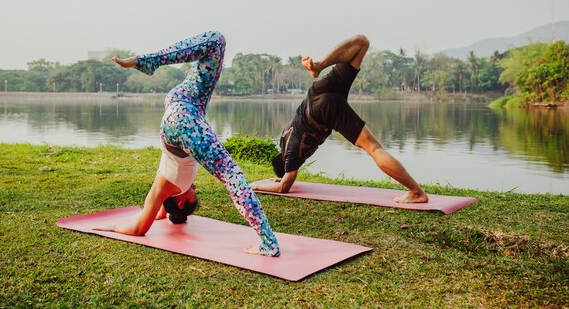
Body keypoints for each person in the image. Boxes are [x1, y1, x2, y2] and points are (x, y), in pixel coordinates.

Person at [97, 31, 280, 257]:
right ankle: (147, 62)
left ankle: (268, 242)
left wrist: (110, 227)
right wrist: (164, 213)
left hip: (184, 115)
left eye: (193, 197)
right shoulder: (164, 193)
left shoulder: (166, 190)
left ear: (182, 202)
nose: (195, 189)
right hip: (189, 111)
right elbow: (159, 214)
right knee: (216, 42)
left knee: (231, 173)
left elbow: (139, 228)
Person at [251, 35, 428, 204]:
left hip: (323, 110)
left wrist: (256, 185)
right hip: (317, 93)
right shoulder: (285, 141)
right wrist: (279, 176)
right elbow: (284, 174)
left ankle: (416, 192)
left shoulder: (291, 155)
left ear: (286, 164)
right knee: (361, 42)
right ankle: (319, 66)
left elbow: (284, 187)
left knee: (374, 149)